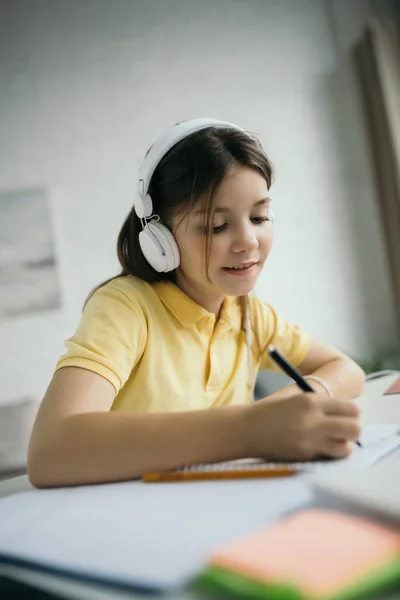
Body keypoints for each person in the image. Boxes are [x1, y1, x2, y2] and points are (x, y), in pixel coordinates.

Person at [27, 118, 365, 488]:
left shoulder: (249, 314)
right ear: (159, 238)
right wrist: (250, 429)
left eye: (259, 217)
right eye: (217, 226)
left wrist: (286, 411)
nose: (249, 241)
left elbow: (346, 369)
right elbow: (51, 451)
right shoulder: (126, 307)